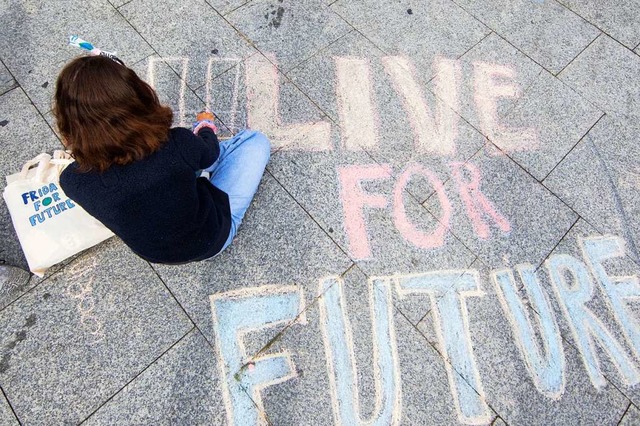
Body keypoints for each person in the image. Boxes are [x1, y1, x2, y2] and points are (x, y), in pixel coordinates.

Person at [55, 55, 270, 264]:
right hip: (211, 238)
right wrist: (206, 128)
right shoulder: (176, 144)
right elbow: (210, 152)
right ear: (138, 99)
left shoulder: (72, 181)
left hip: (154, 253)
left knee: (180, 164)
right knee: (254, 142)